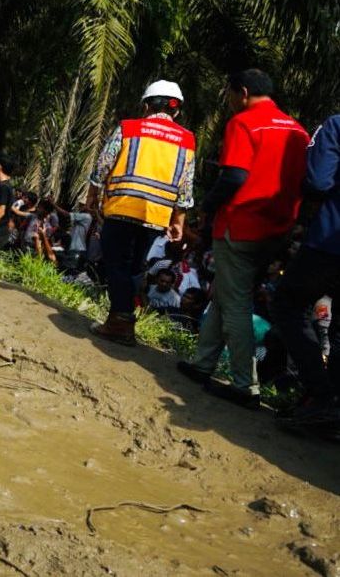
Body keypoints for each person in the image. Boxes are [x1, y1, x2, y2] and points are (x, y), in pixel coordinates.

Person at [177, 70, 310, 409]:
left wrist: (208, 207)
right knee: (228, 293)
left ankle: (244, 385)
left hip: (241, 226)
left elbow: (235, 175)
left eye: (231, 95)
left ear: (244, 92)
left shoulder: (244, 123)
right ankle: (203, 364)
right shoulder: (297, 130)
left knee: (235, 303)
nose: (231, 102)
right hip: (277, 230)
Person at [87, 80, 196, 346]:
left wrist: (93, 194)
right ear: (176, 111)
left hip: (122, 207)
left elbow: (104, 163)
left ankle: (121, 320)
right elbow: (185, 185)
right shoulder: (187, 140)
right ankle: (119, 321)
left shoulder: (129, 128)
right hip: (155, 217)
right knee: (135, 268)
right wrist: (178, 221)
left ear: (146, 106)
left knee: (114, 264)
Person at [267, 113, 340, 434]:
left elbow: (318, 181)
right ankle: (329, 410)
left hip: (331, 240)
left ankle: (320, 396)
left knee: (288, 304)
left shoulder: (337, 125)